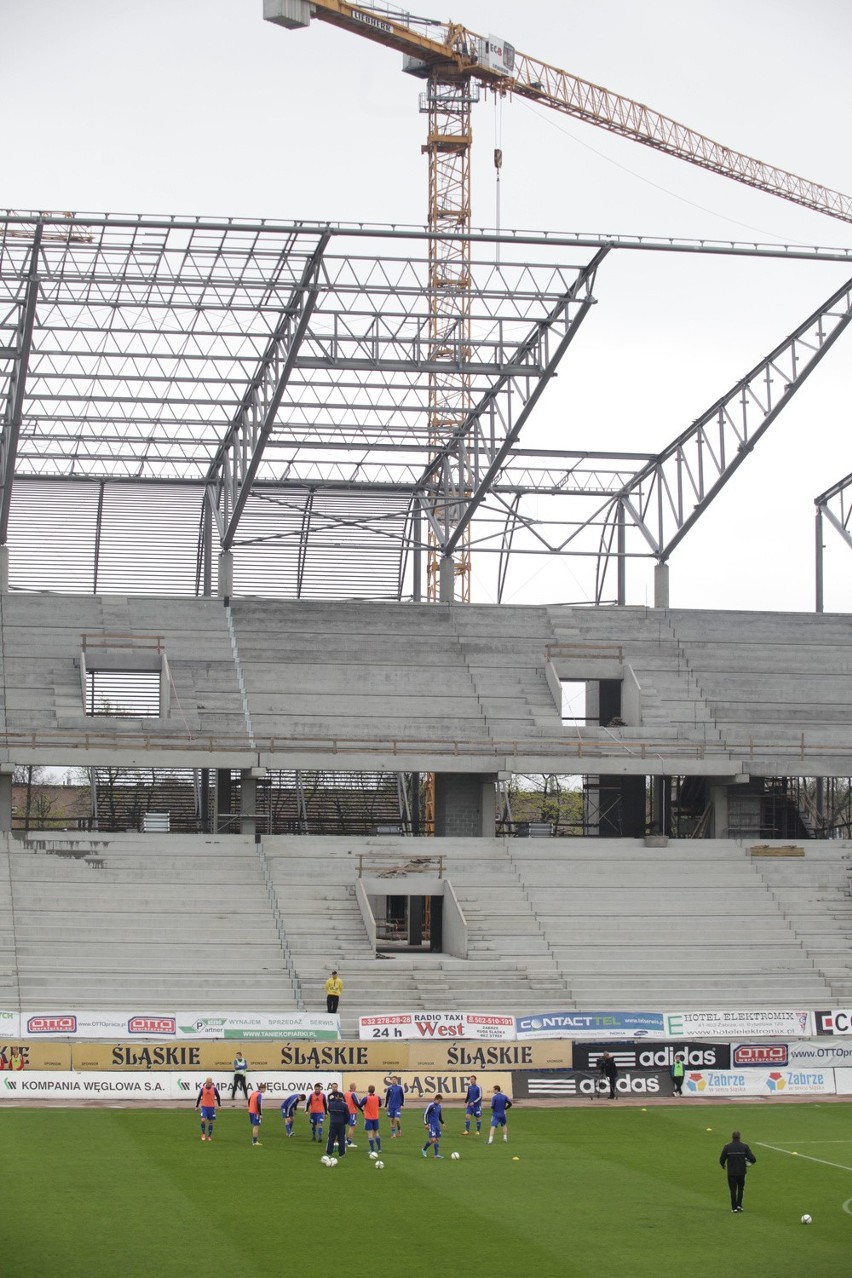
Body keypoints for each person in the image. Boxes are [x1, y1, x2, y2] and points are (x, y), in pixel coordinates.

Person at [719, 1130, 757, 1212]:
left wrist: (723, 1165)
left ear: (732, 1137)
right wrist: (748, 1162)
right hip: (741, 1172)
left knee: (733, 1189)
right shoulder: (744, 1146)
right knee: (740, 1189)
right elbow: (753, 1159)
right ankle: (739, 1205)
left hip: (731, 1172)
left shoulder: (727, 1147)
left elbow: (722, 1159)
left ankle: (734, 1208)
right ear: (740, 1137)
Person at [326, 1085, 350, 1158]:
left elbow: (329, 1110)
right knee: (341, 1139)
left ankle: (329, 1153)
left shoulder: (331, 1104)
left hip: (333, 1123)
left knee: (331, 1138)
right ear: (341, 1097)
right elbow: (348, 1116)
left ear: (336, 1097)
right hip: (341, 1124)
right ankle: (341, 1154)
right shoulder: (344, 1105)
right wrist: (344, 1122)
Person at [195, 1076, 221, 1142]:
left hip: (211, 1108)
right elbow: (198, 1097)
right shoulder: (202, 1089)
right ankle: (203, 1134)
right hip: (204, 1107)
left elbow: (218, 1097)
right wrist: (197, 1106)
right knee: (203, 1120)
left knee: (211, 1122)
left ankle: (209, 1136)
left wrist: (219, 1105)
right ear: (206, 1082)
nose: (210, 1083)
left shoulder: (214, 1089)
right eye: (208, 1082)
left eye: (211, 1082)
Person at [359, 1084, 383, 1155]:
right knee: (376, 1133)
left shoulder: (366, 1098)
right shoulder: (377, 1097)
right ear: (374, 1090)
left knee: (370, 1134)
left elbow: (360, 1105)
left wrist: (363, 1110)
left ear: (368, 1090)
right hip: (376, 1117)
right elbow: (380, 1105)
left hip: (368, 1118)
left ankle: (372, 1150)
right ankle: (379, 1149)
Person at [422, 1094, 444, 1159]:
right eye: (439, 1101)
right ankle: (424, 1149)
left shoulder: (439, 1106)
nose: (440, 1102)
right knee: (433, 1139)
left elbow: (439, 1116)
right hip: (431, 1124)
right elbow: (425, 1114)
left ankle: (436, 1155)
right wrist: (425, 1124)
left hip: (437, 1125)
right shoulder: (431, 1105)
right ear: (436, 1099)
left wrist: (443, 1123)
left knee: (437, 1139)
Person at [344, 1082, 360, 1147]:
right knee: (352, 1127)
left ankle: (346, 1140)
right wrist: (362, 1110)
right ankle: (349, 1142)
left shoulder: (345, 1093)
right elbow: (357, 1103)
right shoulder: (353, 1094)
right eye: (355, 1086)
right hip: (352, 1112)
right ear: (353, 1087)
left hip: (346, 1112)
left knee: (346, 1126)